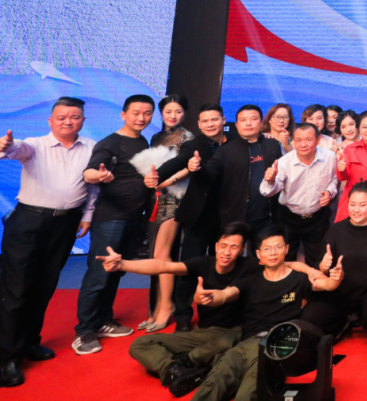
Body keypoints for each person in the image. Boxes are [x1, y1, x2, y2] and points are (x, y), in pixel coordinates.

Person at [0, 98, 96, 386]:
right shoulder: (35, 144)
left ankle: (29, 342)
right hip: (29, 222)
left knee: (44, 286)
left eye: (74, 117)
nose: (68, 121)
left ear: (82, 120)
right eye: (62, 117)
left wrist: (87, 215)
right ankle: (7, 358)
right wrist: (6, 146)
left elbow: (93, 187)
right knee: (16, 290)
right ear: (50, 120)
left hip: (65, 224)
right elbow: (16, 150)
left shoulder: (91, 147)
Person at [187, 225, 342, 401]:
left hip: (274, 348)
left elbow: (327, 285)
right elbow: (225, 295)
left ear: (286, 249)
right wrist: (209, 297)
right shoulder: (250, 281)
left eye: (278, 247)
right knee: (214, 382)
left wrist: (336, 278)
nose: (273, 253)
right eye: (267, 249)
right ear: (259, 254)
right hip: (245, 345)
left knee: (248, 393)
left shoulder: (299, 279)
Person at [99, 223, 254, 397]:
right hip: (203, 333)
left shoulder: (249, 266)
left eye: (234, 247)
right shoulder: (203, 263)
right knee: (140, 344)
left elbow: (231, 293)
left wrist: (216, 297)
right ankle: (175, 371)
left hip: (232, 332)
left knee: (227, 342)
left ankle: (186, 362)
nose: (227, 252)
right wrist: (123, 264)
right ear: (216, 246)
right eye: (223, 246)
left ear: (242, 250)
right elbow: (163, 266)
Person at [73, 94, 156, 356]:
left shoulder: (142, 141)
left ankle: (103, 321)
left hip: (133, 218)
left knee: (115, 272)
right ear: (123, 114)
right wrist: (98, 175)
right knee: (98, 275)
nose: (141, 118)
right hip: (111, 218)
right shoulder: (110, 142)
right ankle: (84, 330)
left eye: (147, 113)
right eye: (135, 112)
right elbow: (89, 173)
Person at [154, 104, 230, 333]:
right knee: (188, 266)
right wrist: (156, 176)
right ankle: (183, 316)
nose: (210, 124)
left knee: (222, 267)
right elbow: (176, 163)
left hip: (227, 216)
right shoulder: (193, 145)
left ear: (223, 120)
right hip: (198, 215)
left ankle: (217, 314)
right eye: (205, 121)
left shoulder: (235, 142)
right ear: (199, 124)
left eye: (214, 119)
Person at [302, 182, 367, 357]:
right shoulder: (336, 230)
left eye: (362, 205)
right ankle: (341, 324)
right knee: (310, 316)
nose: (356, 210)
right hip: (338, 292)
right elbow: (319, 264)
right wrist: (324, 266)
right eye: (352, 204)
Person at [189, 104, 282, 239]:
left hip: (268, 219)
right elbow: (209, 175)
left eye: (253, 119)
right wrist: (197, 169)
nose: (248, 123)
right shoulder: (226, 150)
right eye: (243, 120)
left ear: (262, 123)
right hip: (234, 218)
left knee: (263, 252)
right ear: (237, 125)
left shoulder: (273, 145)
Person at [136, 125, 191, 334]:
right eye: (168, 111)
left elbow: (190, 167)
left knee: (162, 254)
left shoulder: (187, 137)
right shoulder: (156, 137)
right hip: (155, 199)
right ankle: (156, 307)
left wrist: (170, 180)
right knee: (155, 255)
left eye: (177, 111)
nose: (173, 115)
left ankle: (167, 306)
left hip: (174, 198)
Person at [259, 123, 338, 267]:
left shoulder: (330, 157)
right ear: (293, 141)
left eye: (308, 139)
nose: (303, 144)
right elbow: (267, 191)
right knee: (286, 261)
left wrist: (329, 192)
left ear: (317, 140)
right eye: (298, 140)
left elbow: (333, 179)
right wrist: (270, 181)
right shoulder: (284, 162)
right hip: (288, 218)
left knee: (318, 261)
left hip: (318, 218)